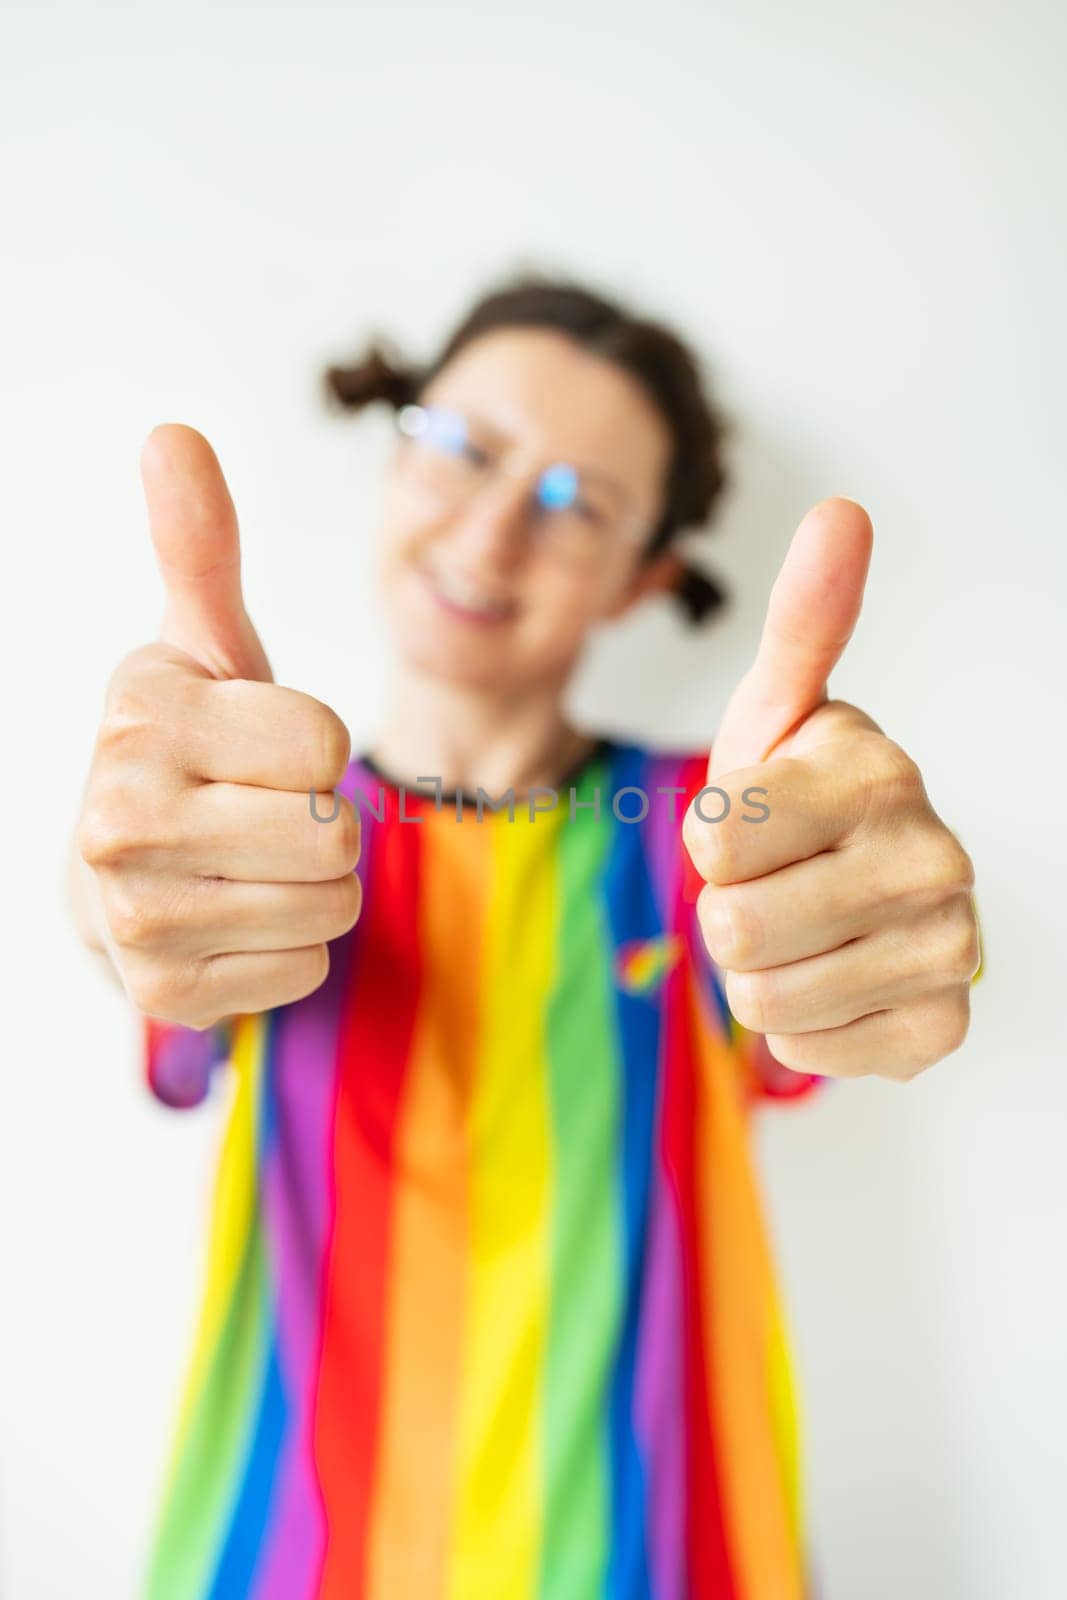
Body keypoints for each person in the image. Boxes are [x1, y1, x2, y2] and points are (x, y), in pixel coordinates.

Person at [66, 270, 982, 1599]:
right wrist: (110, 876)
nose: (492, 534)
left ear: (640, 580)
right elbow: (125, 926)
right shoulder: (251, 829)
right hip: (286, 1559)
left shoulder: (703, 832)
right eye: (466, 449)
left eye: (574, 503)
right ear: (394, 450)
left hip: (657, 1557)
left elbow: (822, 956)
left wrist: (884, 918)